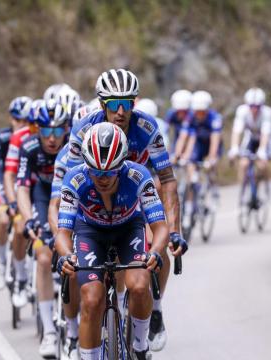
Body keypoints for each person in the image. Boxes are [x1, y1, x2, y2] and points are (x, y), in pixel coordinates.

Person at [64, 69, 183, 351]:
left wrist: (175, 230)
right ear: (102, 105)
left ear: (135, 104)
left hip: (136, 198)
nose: (120, 111)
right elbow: (71, 183)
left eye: (127, 103)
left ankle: (154, 310)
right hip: (94, 209)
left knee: (159, 249)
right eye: (114, 104)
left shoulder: (146, 128)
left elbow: (166, 178)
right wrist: (69, 235)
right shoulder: (83, 129)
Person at [16, 99, 69, 357]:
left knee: (73, 255)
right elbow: (23, 188)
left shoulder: (73, 147)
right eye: (46, 131)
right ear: (37, 130)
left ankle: (73, 329)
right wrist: (28, 219)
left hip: (67, 196)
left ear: (66, 130)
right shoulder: (28, 147)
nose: (51, 138)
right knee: (44, 257)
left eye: (58, 131)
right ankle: (49, 331)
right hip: (41, 195)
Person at [0, 97, 31, 289]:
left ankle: (24, 269)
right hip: (5, 182)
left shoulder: (32, 138)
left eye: (25, 121)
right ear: (11, 119)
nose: (21, 124)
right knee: (3, 220)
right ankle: (1, 263)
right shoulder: (2, 137)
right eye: (17, 120)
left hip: (25, 183)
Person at [3, 96, 38, 307]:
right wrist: (12, 202)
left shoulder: (54, 136)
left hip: (43, 190)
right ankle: (21, 276)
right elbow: (9, 175)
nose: (32, 128)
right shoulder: (19, 137)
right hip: (23, 187)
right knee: (19, 226)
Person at [175, 90, 223, 228]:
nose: (199, 115)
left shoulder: (214, 118)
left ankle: (214, 191)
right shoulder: (190, 117)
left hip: (211, 145)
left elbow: (215, 139)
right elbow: (184, 137)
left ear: (207, 109)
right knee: (191, 172)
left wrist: (212, 158)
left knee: (211, 166)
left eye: (202, 112)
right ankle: (190, 205)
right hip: (198, 145)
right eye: (197, 111)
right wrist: (179, 155)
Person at [228, 87, 271, 199]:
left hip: (265, 139)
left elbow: (265, 133)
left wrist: (262, 150)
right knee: (243, 164)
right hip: (251, 138)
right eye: (251, 107)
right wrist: (234, 147)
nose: (254, 109)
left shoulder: (267, 112)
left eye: (257, 107)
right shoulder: (242, 111)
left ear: (261, 106)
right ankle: (243, 190)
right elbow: (237, 131)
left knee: (262, 165)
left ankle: (267, 184)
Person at [166, 89, 192, 159]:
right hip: (177, 137)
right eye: (178, 111)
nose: (180, 114)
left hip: (190, 138)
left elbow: (183, 136)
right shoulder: (171, 113)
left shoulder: (191, 114)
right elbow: (165, 131)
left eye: (183, 111)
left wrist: (177, 155)